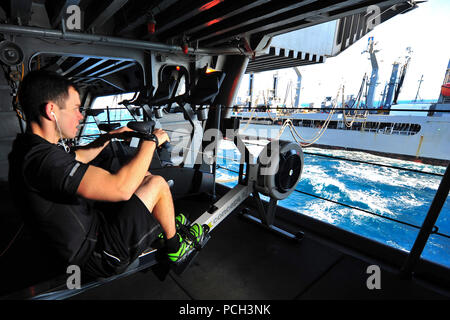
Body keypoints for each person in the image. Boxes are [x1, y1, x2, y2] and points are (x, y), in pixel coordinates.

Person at [8, 70, 206, 278]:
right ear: (51, 111)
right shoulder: (42, 160)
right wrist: (152, 142)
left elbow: (78, 157)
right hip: (95, 255)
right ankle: (175, 247)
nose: (80, 115)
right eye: (75, 108)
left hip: (85, 233)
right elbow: (120, 189)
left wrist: (109, 137)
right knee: (156, 183)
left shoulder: (32, 148)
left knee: (142, 175)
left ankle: (169, 223)